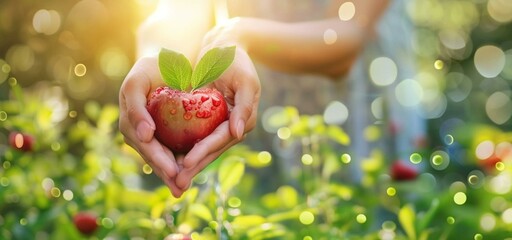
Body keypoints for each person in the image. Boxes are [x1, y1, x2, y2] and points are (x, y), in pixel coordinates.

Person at [119, 0, 422, 198]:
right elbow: (179, 13)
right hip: (243, 94)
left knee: (346, 212)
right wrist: (157, 63)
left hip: (348, 106)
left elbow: (350, 28)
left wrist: (238, 35)